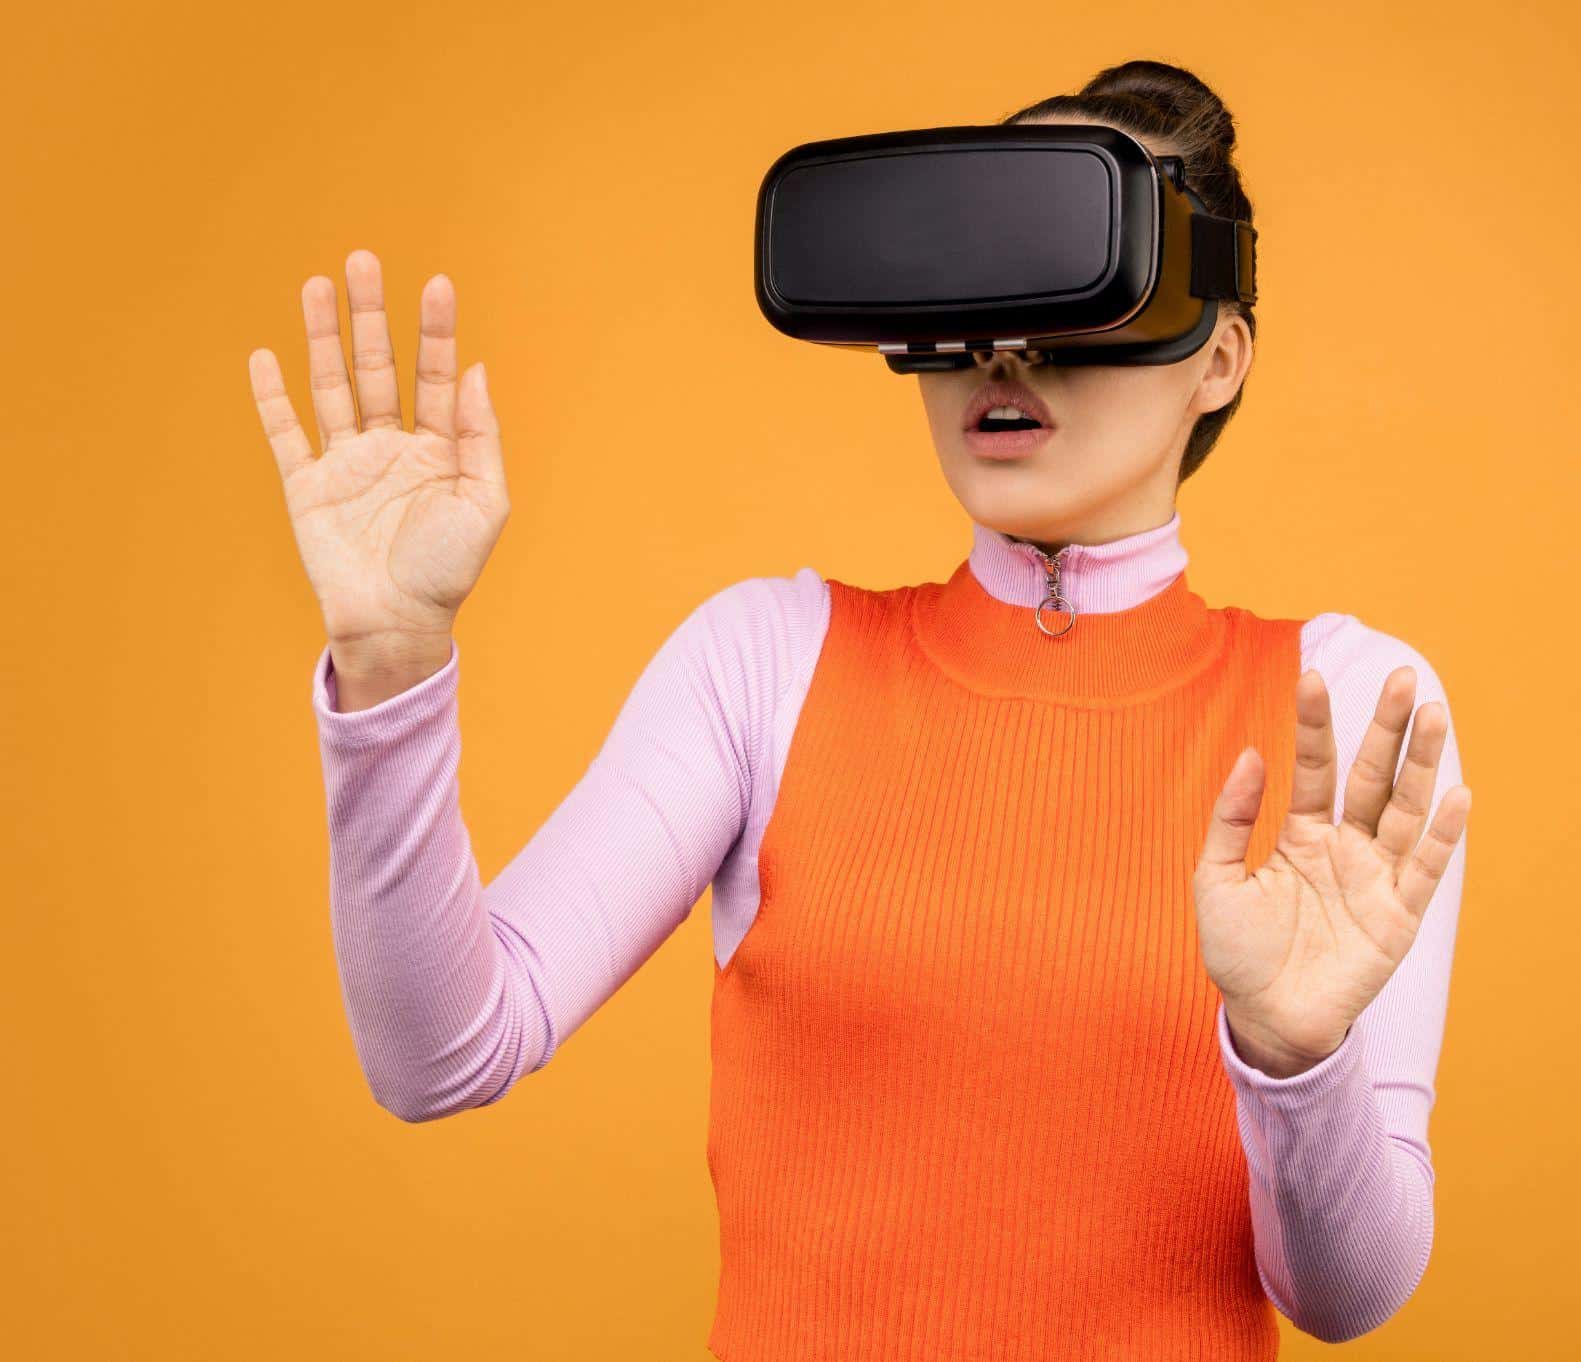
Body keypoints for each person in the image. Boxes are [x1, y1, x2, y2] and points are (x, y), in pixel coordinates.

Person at [246, 59, 1472, 1362]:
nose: (1004, 350)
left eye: (1072, 280)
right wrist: (390, 667)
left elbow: (1350, 1296)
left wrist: (1294, 1055)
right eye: (974, 283)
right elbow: (441, 1052)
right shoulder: (764, 662)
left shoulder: (1339, 713)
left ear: (1216, 358)